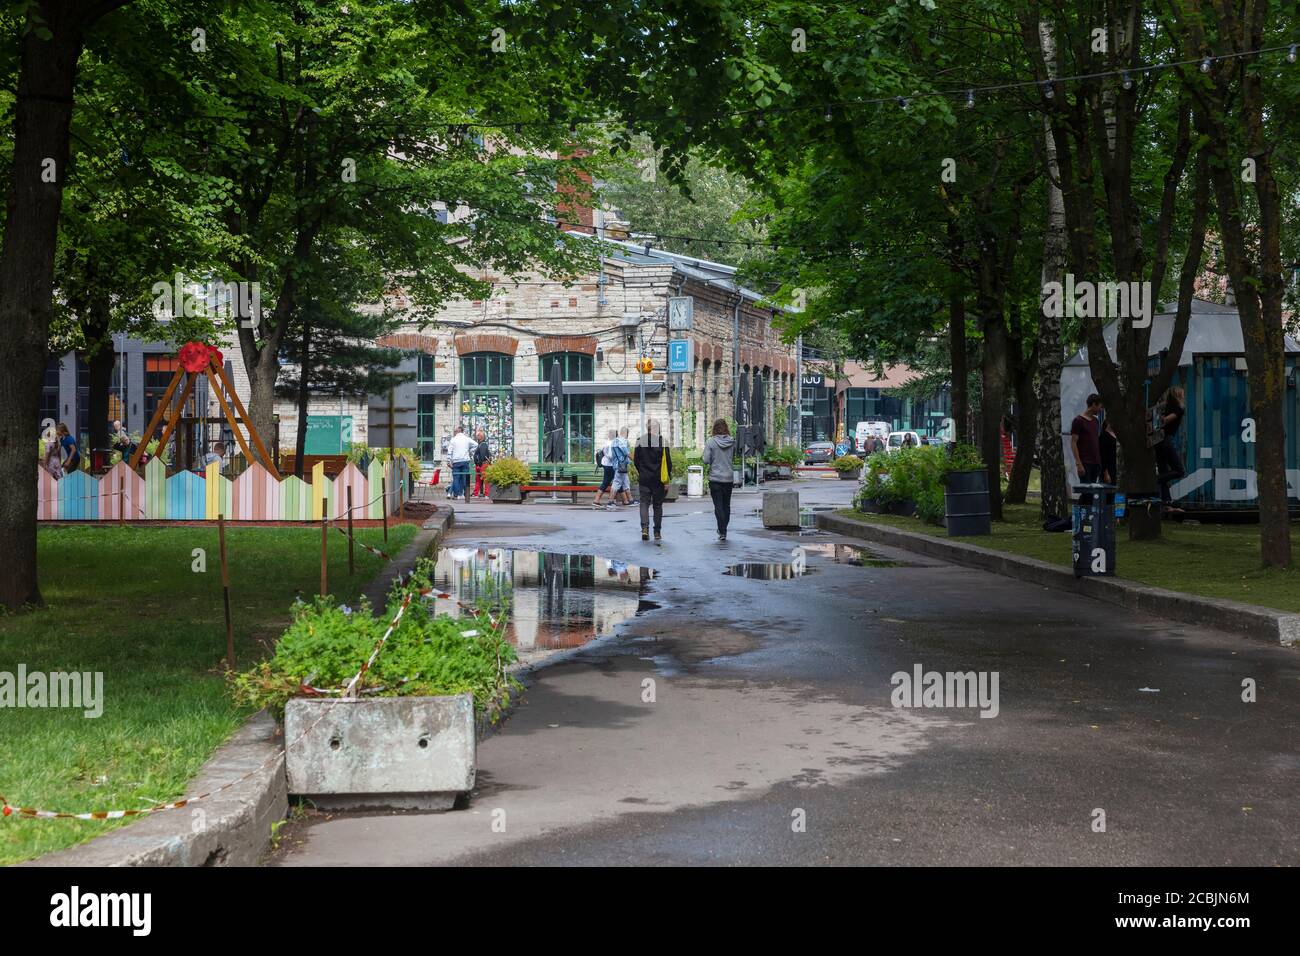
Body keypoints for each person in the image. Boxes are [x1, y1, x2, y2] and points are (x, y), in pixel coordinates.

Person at [633, 418, 672, 542]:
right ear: (657, 428)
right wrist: (667, 480)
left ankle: (645, 529)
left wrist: (642, 471)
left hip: (644, 478)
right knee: (657, 505)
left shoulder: (639, 441)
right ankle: (657, 532)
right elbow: (668, 463)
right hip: (658, 480)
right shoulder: (663, 442)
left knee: (644, 503)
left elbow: (636, 461)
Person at [701, 418, 736, 541]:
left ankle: (722, 530)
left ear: (714, 428)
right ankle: (723, 529)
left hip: (715, 478)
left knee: (718, 506)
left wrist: (712, 459)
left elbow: (705, 460)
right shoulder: (732, 442)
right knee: (726, 505)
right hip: (728, 478)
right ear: (726, 428)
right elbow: (734, 456)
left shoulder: (711, 442)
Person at [1155, 386, 1186, 513]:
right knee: (1179, 471)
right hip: (1166, 440)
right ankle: (1156, 479)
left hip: (1158, 441)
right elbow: (1166, 420)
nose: (1184, 396)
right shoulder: (1179, 408)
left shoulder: (1165, 406)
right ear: (1178, 395)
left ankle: (1166, 504)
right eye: (1182, 394)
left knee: (1164, 471)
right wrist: (1162, 419)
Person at [1070, 393, 1104, 504]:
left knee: (1092, 494)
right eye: (1099, 406)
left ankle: (1085, 517)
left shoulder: (1096, 421)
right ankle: (1081, 518)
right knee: (1086, 493)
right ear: (1094, 404)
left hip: (1096, 463)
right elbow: (1073, 442)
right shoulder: (1078, 421)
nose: (1100, 409)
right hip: (1085, 463)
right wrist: (1078, 464)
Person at [446, 425, 477, 502]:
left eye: (455, 431)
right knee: (465, 478)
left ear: (458, 431)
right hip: (465, 461)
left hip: (456, 461)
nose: (454, 432)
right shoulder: (467, 439)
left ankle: (457, 495)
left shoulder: (453, 440)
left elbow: (450, 451)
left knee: (456, 478)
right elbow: (476, 444)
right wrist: (469, 451)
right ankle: (465, 494)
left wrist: (448, 460)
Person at [593, 429, 618, 510]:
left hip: (606, 464)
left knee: (608, 482)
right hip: (610, 465)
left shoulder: (607, 442)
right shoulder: (612, 443)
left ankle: (597, 500)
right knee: (615, 482)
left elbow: (604, 452)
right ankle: (611, 501)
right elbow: (610, 455)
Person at [612, 426, 633, 505]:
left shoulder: (614, 441)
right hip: (620, 466)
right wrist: (636, 459)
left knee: (626, 483)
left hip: (619, 465)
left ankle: (631, 500)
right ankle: (610, 501)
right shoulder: (621, 441)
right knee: (616, 483)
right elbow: (626, 452)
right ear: (626, 433)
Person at [471, 429, 492, 498]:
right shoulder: (481, 444)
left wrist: (479, 464)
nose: (476, 437)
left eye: (477, 436)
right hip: (480, 465)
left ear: (481, 437)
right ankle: (476, 493)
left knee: (485, 479)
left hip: (482, 465)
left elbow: (482, 456)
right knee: (478, 479)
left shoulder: (483, 445)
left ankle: (486, 494)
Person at [1100, 417, 1118, 486]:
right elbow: (1103, 456)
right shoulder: (1104, 436)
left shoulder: (1115, 435)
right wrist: (1105, 472)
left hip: (1115, 468)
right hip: (1109, 469)